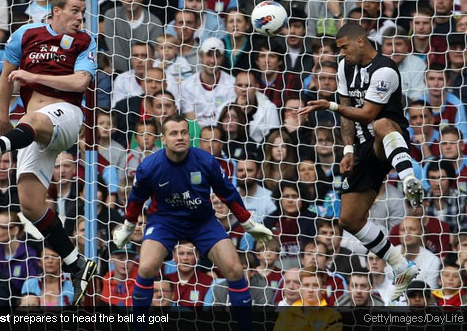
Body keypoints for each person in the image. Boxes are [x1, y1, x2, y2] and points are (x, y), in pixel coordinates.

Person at [0, 0, 97, 306]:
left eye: (82, 12)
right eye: (74, 10)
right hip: (29, 126)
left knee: (37, 119)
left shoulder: (85, 42)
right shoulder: (26, 34)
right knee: (29, 205)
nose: (80, 17)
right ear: (55, 11)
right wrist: (1, 118)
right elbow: (6, 76)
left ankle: (0, 145)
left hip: (66, 117)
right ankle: (75, 263)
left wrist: (32, 74)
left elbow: (80, 82)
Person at [298, 22, 423, 301]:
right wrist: (347, 149)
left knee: (381, 125)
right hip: (362, 147)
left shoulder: (386, 69)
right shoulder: (345, 67)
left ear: (360, 41)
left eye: (343, 48)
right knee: (349, 219)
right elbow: (347, 112)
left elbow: (366, 113)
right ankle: (401, 267)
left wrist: (328, 104)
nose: (340, 54)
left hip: (390, 141)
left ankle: (409, 180)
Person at [113, 114, 273, 330]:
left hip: (202, 222)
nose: (180, 137)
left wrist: (249, 224)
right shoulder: (149, 167)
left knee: (235, 270)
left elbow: (228, 193)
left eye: (183, 133)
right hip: (164, 221)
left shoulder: (206, 161)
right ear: (163, 139)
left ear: (189, 136)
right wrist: (128, 227)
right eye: (174, 133)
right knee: (147, 267)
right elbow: (135, 200)